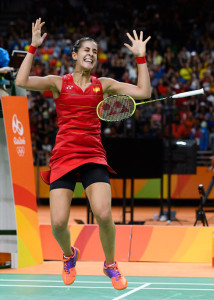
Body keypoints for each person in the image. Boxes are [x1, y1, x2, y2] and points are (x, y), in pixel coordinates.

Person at [16, 18, 151, 290]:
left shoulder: (104, 84)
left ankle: (110, 263)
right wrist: (33, 46)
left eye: (95, 52)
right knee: (57, 223)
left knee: (103, 214)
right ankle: (69, 254)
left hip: (93, 155)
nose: (91, 54)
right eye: (86, 50)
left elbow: (144, 92)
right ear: (75, 56)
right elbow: (21, 80)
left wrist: (141, 58)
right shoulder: (58, 82)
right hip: (64, 155)